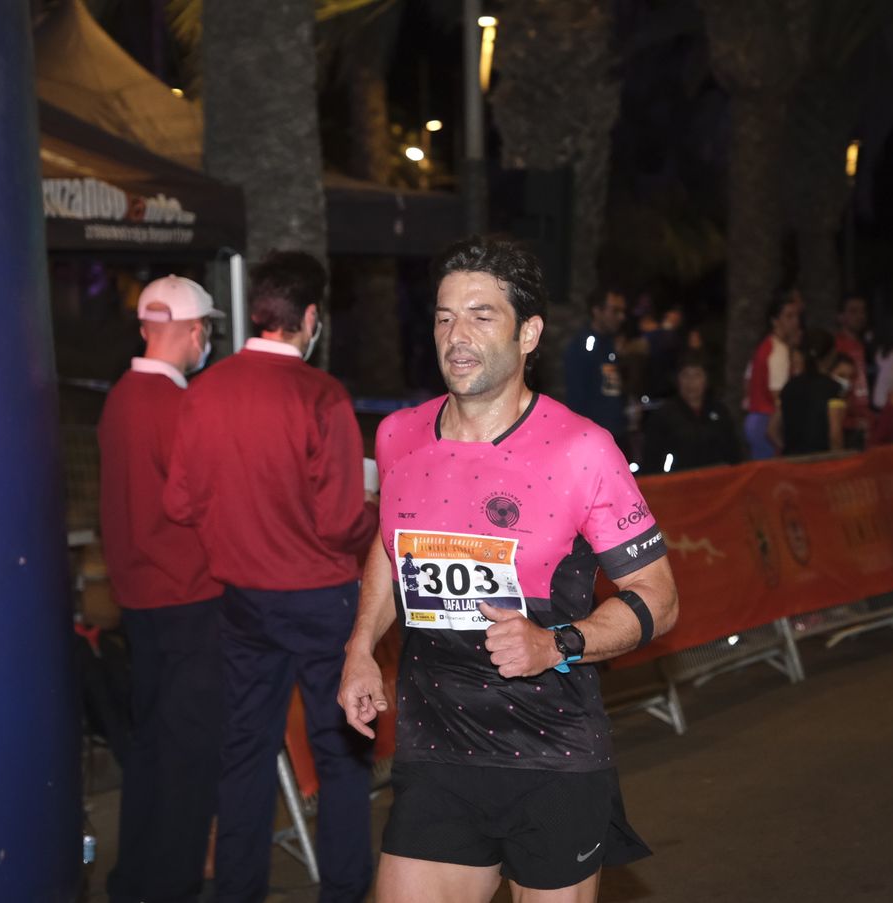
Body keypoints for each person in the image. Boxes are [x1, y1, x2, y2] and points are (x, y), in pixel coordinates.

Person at [338, 235, 679, 903]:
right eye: (443, 316)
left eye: (480, 315)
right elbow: (389, 542)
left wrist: (555, 643)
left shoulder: (583, 449)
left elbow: (657, 598)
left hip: (551, 757)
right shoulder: (398, 436)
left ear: (529, 333)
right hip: (436, 753)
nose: (456, 335)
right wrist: (358, 648)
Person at [164, 251, 379, 903]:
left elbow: (178, 503)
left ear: (260, 311)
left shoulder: (204, 392)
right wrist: (376, 514)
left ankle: (237, 890)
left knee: (244, 756)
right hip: (321, 599)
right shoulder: (322, 395)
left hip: (244, 603)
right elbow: (342, 520)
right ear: (309, 317)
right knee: (341, 754)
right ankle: (342, 890)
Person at [99, 276, 227, 903]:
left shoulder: (121, 397)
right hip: (190, 600)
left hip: (139, 601)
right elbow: (204, 504)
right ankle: (172, 887)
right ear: (195, 329)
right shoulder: (178, 407)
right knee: (189, 760)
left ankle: (134, 882)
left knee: (149, 752)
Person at [642, 354, 742, 473]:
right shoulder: (663, 415)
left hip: (716, 482)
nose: (691, 383)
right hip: (677, 483)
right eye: (686, 376)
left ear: (706, 380)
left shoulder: (719, 411)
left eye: (697, 375)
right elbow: (652, 459)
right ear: (678, 379)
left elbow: (734, 452)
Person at [563, 289, 629, 448]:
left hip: (616, 435)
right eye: (614, 310)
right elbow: (577, 398)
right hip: (593, 440)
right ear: (597, 311)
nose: (621, 317)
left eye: (622, 311)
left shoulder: (612, 344)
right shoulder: (584, 345)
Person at [743, 291, 803, 459]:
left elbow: (747, 383)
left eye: (796, 316)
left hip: (755, 420)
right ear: (775, 320)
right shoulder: (778, 351)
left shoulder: (765, 346)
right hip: (767, 424)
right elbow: (780, 397)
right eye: (789, 316)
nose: (795, 322)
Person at [778, 328, 847, 456]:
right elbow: (835, 435)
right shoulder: (832, 388)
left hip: (790, 464)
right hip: (820, 465)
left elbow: (772, 430)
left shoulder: (789, 386)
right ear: (831, 355)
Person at [833, 296, 872, 447]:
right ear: (841, 317)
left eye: (862, 311)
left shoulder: (864, 346)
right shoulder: (837, 347)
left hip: (865, 420)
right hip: (848, 423)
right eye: (853, 311)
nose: (860, 316)